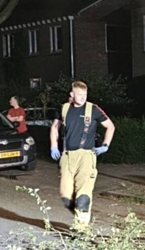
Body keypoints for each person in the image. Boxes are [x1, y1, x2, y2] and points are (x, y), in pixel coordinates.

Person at [49, 81, 115, 229]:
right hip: (67, 156)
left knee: (83, 195)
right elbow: (55, 127)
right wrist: (54, 146)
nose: (82, 97)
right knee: (66, 197)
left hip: (86, 156)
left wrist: (105, 145)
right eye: (79, 95)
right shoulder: (64, 108)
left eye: (85, 95)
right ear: (72, 95)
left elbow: (110, 126)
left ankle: (81, 229)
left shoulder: (93, 109)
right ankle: (82, 214)